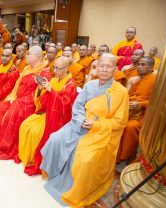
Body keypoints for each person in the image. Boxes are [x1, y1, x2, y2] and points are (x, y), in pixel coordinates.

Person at [40, 53, 129, 207]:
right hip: (79, 124)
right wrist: (80, 119)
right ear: (96, 66)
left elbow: (119, 122)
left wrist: (96, 125)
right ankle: (54, 174)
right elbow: (78, 105)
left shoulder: (121, 92)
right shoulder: (90, 85)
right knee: (54, 139)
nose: (104, 69)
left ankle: (75, 189)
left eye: (109, 66)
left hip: (100, 132)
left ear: (115, 69)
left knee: (84, 158)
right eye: (101, 65)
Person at [0, 46, 51, 160]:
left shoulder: (43, 71)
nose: (26, 56)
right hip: (18, 98)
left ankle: (7, 146)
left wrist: (20, 101)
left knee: (12, 115)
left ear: (36, 57)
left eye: (28, 54)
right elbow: (17, 84)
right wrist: (13, 97)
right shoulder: (27, 68)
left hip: (29, 103)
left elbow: (41, 93)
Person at [19, 57, 78, 174]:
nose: (54, 71)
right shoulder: (54, 80)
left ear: (66, 68)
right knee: (26, 124)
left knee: (36, 131)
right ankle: (28, 158)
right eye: (53, 67)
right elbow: (44, 101)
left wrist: (52, 91)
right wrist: (42, 87)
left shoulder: (71, 84)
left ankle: (37, 160)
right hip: (48, 112)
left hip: (60, 118)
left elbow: (66, 107)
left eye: (57, 68)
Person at [117, 56, 156, 163]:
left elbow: (157, 102)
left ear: (151, 67)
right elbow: (125, 95)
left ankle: (129, 154)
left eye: (143, 65)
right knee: (117, 123)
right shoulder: (132, 79)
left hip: (145, 113)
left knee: (130, 127)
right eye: (138, 64)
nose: (139, 67)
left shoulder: (155, 80)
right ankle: (116, 155)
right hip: (129, 110)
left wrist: (140, 104)